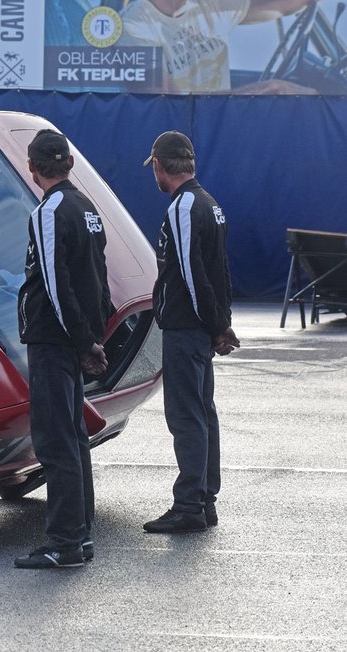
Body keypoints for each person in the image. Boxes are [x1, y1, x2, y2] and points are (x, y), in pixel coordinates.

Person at [14, 130, 112, 569]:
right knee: (74, 437)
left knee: (55, 439)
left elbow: (54, 283)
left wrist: (79, 338)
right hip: (74, 337)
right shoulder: (87, 208)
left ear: (32, 169)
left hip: (53, 340)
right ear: (70, 163)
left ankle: (64, 541)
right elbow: (98, 276)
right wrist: (94, 336)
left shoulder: (48, 211)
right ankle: (80, 534)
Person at [142, 131, 239, 534]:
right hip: (200, 328)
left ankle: (189, 506)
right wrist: (221, 323)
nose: (156, 177)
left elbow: (192, 274)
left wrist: (216, 325)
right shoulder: (210, 204)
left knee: (186, 417)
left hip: (186, 328)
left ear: (161, 166)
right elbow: (220, 272)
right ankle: (205, 499)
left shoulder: (183, 207)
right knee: (203, 414)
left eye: (155, 170)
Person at [119, 0, 340, 94]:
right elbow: (169, 106)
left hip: (223, 123)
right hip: (182, 145)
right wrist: (265, 90)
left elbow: (282, 6)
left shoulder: (210, 5)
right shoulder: (133, 25)